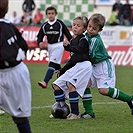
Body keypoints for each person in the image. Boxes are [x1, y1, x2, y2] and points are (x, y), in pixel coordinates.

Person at [82, 13, 133, 118]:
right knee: (84, 84)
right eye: (89, 26)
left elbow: (89, 56)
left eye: (94, 29)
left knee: (104, 90)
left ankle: (130, 99)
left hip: (103, 66)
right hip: (93, 65)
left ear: (99, 30)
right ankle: (89, 112)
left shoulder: (96, 40)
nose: (90, 29)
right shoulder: (86, 35)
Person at [52, 16, 93, 120]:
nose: (75, 27)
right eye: (74, 25)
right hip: (76, 66)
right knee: (56, 85)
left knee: (72, 86)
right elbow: (73, 60)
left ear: (84, 29)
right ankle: (61, 109)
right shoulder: (73, 40)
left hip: (84, 65)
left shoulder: (83, 40)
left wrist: (68, 47)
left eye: (78, 26)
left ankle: (75, 113)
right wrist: (62, 70)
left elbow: (78, 51)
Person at [0, 0, 32, 132]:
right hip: (17, 71)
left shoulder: (6, 27)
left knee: (19, 116)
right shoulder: (10, 26)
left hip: (13, 73)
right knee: (20, 117)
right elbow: (24, 46)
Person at [37, 6, 72, 88]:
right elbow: (40, 36)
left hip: (59, 45)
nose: (51, 15)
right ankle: (65, 81)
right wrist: (40, 42)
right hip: (50, 46)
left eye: (52, 13)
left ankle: (45, 82)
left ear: (55, 14)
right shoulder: (45, 25)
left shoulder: (59, 23)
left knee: (52, 63)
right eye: (49, 13)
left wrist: (72, 42)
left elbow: (67, 33)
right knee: (56, 66)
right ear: (46, 15)